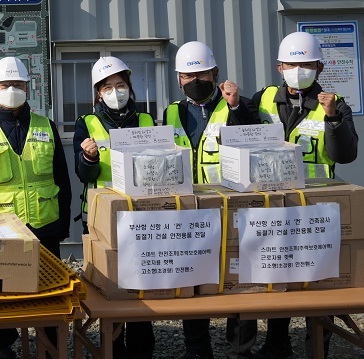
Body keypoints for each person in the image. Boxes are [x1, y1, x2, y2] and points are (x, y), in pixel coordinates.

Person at [249, 31, 359, 359]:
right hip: (273, 202)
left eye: (306, 64)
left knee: (318, 277)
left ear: (320, 67)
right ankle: (276, 345)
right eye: (292, 64)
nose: (299, 69)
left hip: (317, 205)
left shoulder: (334, 103)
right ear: (280, 67)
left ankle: (317, 347)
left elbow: (346, 154)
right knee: (278, 274)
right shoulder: (263, 98)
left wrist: (333, 118)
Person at [0, 56, 71, 359]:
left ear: (28, 89)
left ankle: (50, 349)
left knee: (48, 294)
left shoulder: (46, 126)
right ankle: (3, 348)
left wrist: (64, 225)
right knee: (2, 293)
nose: (12, 89)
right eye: (5, 84)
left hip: (45, 226)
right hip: (2, 230)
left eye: (18, 84)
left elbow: (62, 177)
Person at [166, 41, 258, 359]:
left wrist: (235, 108)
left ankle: (240, 349)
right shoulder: (171, 113)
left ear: (215, 73)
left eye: (202, 73)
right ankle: (197, 349)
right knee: (193, 279)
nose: (194, 81)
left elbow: (255, 142)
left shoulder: (237, 106)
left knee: (239, 278)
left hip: (234, 210)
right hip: (190, 212)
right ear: (178, 79)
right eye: (187, 75)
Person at [74, 56, 155, 359]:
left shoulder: (147, 121)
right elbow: (84, 175)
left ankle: (142, 347)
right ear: (98, 92)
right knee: (110, 285)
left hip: (142, 217)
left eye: (121, 85)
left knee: (142, 282)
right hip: (101, 220)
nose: (116, 91)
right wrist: (89, 158)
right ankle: (114, 346)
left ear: (129, 87)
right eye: (108, 87)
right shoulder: (87, 123)